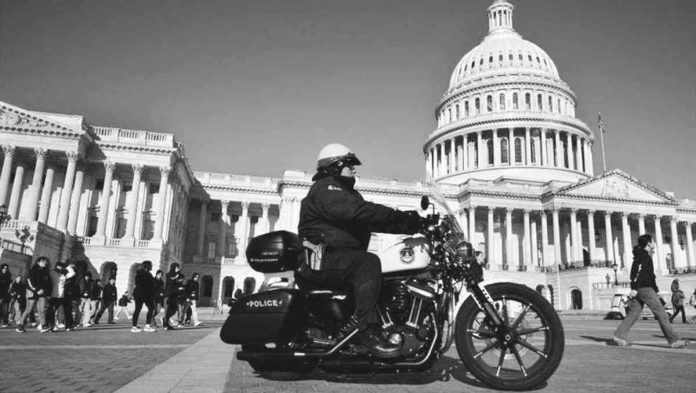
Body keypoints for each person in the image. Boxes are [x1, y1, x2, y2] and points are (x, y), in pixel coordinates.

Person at [297, 143, 421, 358]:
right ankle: (362, 329)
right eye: (350, 164)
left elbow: (372, 221)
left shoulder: (346, 193)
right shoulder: (326, 188)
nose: (354, 169)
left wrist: (411, 224)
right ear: (334, 166)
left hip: (336, 258)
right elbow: (359, 213)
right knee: (368, 263)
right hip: (319, 260)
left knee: (382, 273)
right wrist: (401, 217)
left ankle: (384, 325)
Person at [613, 234, 689, 348]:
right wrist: (635, 287)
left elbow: (649, 275)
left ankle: (619, 335)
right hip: (644, 288)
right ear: (649, 243)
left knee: (633, 313)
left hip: (642, 288)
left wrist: (655, 289)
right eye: (653, 241)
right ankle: (673, 340)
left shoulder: (642, 255)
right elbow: (639, 272)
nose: (654, 243)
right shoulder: (644, 256)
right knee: (661, 313)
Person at [16, 256, 52, 333]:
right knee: (28, 310)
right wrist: (37, 290)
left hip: (42, 293)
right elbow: (29, 281)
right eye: (43, 261)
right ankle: (20, 325)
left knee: (41, 310)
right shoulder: (33, 271)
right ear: (38, 262)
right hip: (32, 292)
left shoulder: (46, 272)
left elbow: (48, 284)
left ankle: (43, 325)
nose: (45, 263)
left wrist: (45, 291)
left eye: (45, 261)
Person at [46, 261, 76, 332]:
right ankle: (50, 326)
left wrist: (67, 266)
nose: (60, 268)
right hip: (53, 296)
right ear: (56, 266)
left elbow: (73, 273)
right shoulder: (52, 273)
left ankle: (68, 326)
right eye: (59, 266)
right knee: (51, 311)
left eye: (61, 267)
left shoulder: (63, 275)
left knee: (67, 311)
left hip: (62, 296)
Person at [131, 260, 156, 332]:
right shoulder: (148, 274)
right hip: (145, 294)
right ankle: (147, 326)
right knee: (151, 308)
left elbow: (138, 285)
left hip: (138, 294)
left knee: (137, 310)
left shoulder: (138, 274)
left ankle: (134, 326)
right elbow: (151, 285)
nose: (151, 266)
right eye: (151, 265)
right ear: (147, 266)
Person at [163, 263, 184, 330]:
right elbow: (171, 282)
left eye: (178, 268)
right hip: (168, 295)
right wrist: (176, 277)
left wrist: (179, 288)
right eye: (177, 268)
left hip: (175, 295)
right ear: (174, 268)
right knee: (168, 309)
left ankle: (165, 319)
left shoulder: (178, 275)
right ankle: (166, 324)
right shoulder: (169, 275)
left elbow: (178, 284)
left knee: (174, 309)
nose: (178, 269)